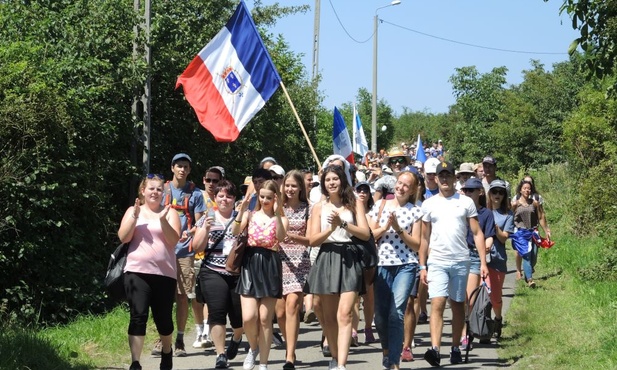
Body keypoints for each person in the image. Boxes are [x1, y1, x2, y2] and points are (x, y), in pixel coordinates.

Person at [419, 161, 488, 367]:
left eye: (448, 175)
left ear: (454, 178)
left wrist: (483, 262)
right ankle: (435, 349)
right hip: (437, 261)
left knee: (458, 304)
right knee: (438, 303)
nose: (445, 179)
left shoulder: (465, 202)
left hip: (460, 260)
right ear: (436, 178)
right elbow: (424, 238)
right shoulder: (429, 204)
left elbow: (476, 232)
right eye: (441, 176)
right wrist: (422, 265)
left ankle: (455, 347)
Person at [305, 165, 371, 370]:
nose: (331, 183)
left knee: (345, 314)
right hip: (326, 257)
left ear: (342, 180)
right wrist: (330, 229)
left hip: (350, 257)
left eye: (335, 178)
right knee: (329, 317)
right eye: (327, 180)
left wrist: (342, 225)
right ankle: (334, 356)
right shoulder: (318, 207)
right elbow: (313, 240)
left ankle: (342, 364)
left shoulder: (354, 203)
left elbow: (365, 234)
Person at [118, 174, 181, 370]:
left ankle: (167, 351)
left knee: (163, 320)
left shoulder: (170, 213)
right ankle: (135, 362)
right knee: (138, 315)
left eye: (159, 189)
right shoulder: (133, 210)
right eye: (151, 188)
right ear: (143, 191)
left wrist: (162, 221)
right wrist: (135, 217)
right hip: (136, 271)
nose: (155, 192)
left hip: (164, 274)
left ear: (163, 193)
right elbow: (123, 237)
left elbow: (173, 241)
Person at [152, 153, 205, 357]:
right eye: (179, 166)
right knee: (162, 297)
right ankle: (162, 338)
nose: (182, 169)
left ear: (189, 170)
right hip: (162, 251)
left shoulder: (196, 194)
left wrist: (193, 232)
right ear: (172, 168)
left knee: (182, 297)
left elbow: (200, 222)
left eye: (185, 166)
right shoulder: (161, 190)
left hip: (184, 251)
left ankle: (180, 340)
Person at [232, 180, 288, 370]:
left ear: (275, 199)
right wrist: (241, 211)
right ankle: (253, 349)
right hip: (250, 263)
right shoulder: (251, 214)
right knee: (248, 317)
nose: (264, 200)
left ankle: (263, 363)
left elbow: (280, 237)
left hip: (270, 264)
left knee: (265, 318)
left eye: (269, 197)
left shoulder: (280, 218)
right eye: (262, 196)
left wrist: (279, 213)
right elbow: (235, 231)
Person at [369, 172, 422, 370]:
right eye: (399, 183)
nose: (401, 187)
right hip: (382, 264)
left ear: (413, 190)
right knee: (380, 316)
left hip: (406, 265)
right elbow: (370, 234)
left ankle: (393, 362)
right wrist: (385, 227)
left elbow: (416, 245)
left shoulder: (415, 211)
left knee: (396, 313)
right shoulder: (380, 205)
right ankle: (386, 349)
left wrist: (399, 229)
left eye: (406, 186)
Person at [192, 180, 244, 369]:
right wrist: (205, 228)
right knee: (217, 312)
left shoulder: (241, 217)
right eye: (220, 195)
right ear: (215, 198)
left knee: (240, 317)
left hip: (237, 273)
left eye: (228, 196)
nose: (224, 199)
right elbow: (196, 247)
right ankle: (220, 354)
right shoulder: (207, 217)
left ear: (234, 199)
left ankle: (237, 338)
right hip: (212, 270)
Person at [275, 170, 312, 370]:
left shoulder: (309, 209)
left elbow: (312, 238)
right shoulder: (277, 207)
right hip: (278, 260)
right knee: (280, 312)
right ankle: (290, 344)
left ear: (301, 188)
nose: (290, 189)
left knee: (292, 306)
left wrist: (293, 237)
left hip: (300, 260)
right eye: (287, 185)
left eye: (294, 186)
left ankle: (289, 356)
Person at [459, 178, 495, 348]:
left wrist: (486, 247)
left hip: (474, 256)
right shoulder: (458, 210)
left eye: (471, 191)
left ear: (480, 192)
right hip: (458, 255)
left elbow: (488, 236)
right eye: (465, 190)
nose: (468, 193)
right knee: (460, 298)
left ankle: (466, 333)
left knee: (470, 298)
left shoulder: (486, 214)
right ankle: (462, 333)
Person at [195, 166, 224, 348]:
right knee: (196, 297)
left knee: (209, 297)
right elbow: (193, 221)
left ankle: (207, 331)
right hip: (196, 252)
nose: (212, 184)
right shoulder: (197, 196)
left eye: (216, 180)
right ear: (203, 180)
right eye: (209, 180)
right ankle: (200, 332)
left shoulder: (225, 199)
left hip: (216, 257)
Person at [486, 179, 514, 339]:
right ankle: (484, 325)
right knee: (483, 295)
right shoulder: (482, 211)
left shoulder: (507, 215)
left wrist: (494, 227)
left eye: (501, 192)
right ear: (489, 193)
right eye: (494, 191)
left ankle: (498, 319)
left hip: (497, 259)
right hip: (480, 258)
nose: (497, 195)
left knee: (495, 297)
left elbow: (504, 238)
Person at [511, 179, 551, 287]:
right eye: (524, 188)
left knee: (534, 255)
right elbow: (509, 217)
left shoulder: (534, 203)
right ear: (520, 190)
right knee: (527, 255)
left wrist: (546, 230)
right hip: (521, 233)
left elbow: (541, 217)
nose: (527, 190)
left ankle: (528, 272)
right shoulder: (515, 204)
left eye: (529, 188)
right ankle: (530, 280)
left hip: (533, 232)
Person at [353, 181, 376, 344]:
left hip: (370, 256)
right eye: (359, 190)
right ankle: (353, 330)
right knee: (353, 295)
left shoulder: (373, 212)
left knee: (368, 295)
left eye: (365, 190)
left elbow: (372, 232)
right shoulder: (350, 211)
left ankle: (368, 327)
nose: (362, 193)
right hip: (353, 255)